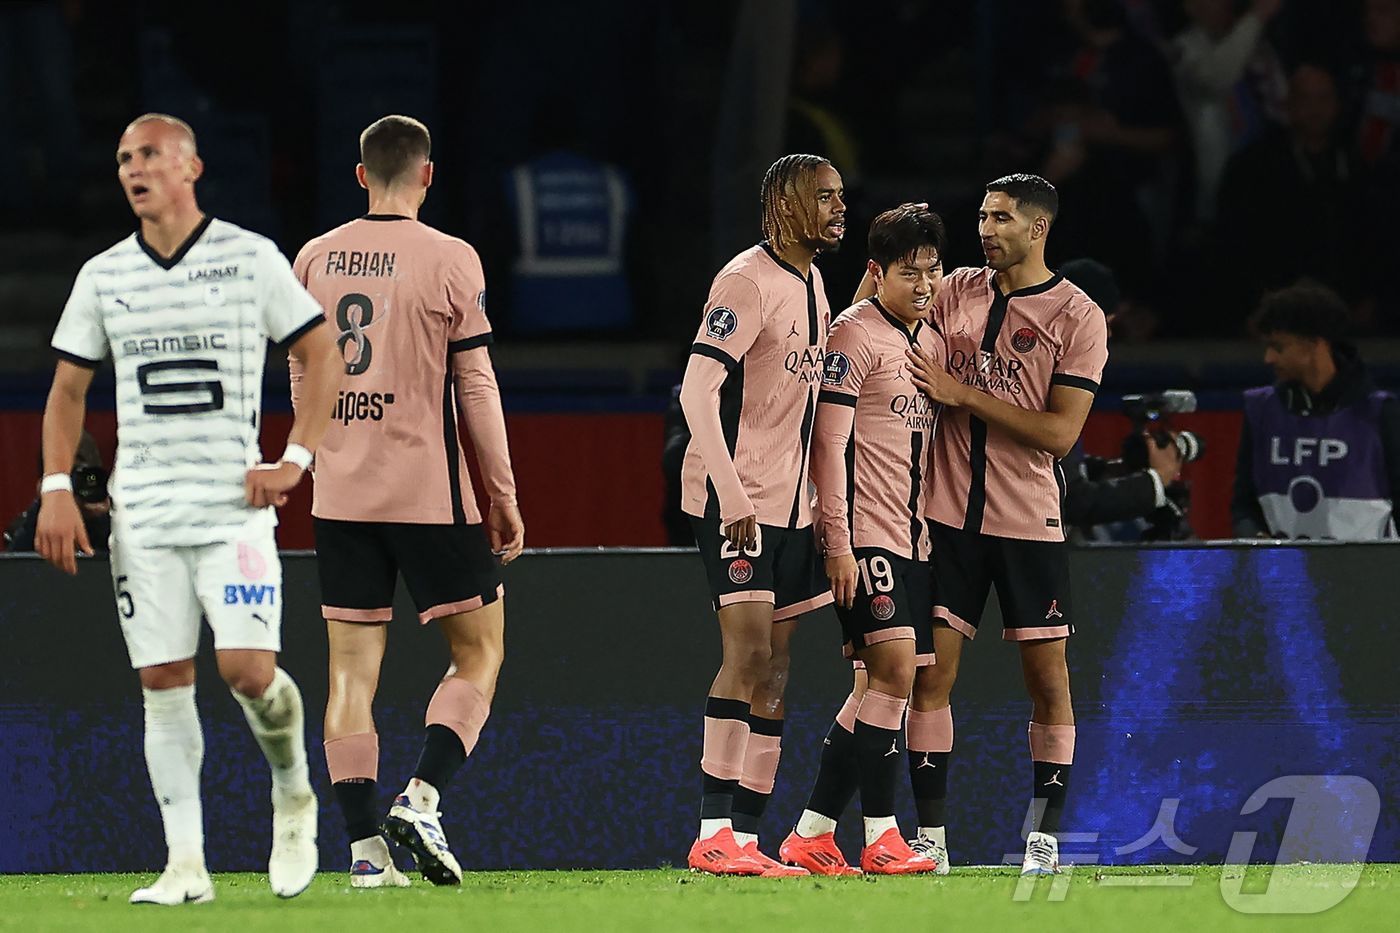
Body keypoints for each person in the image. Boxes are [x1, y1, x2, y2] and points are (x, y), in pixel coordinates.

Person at [37, 113, 342, 904]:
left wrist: (295, 461)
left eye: (147, 155)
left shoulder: (247, 258)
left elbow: (319, 351)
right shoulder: (105, 275)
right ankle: (185, 865)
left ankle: (293, 789)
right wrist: (57, 487)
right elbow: (67, 390)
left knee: (247, 673)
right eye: (122, 159)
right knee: (163, 682)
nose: (133, 169)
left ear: (191, 166)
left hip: (233, 505)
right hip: (144, 511)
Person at [293, 115, 525, 888]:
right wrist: (502, 491)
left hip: (342, 495)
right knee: (480, 649)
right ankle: (422, 798)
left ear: (360, 174)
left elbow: (301, 376)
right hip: (430, 491)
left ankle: (364, 855)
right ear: (427, 175)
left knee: (349, 675)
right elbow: (477, 385)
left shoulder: (314, 258)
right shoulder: (451, 258)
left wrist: (316, 455)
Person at [900, 174, 1108, 875]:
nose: (985, 229)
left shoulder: (1078, 316)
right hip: (945, 517)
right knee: (929, 677)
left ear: (1038, 228)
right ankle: (931, 839)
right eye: (983, 216)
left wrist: (965, 394)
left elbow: (1060, 434)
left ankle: (1043, 841)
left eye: (1001, 218)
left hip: (1028, 521)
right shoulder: (956, 288)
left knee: (1048, 681)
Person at [678, 153, 845, 876]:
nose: (841, 208)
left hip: (791, 504)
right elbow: (696, 391)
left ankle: (748, 839)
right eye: (826, 198)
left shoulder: (813, 281)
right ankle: (712, 832)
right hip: (735, 496)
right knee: (745, 654)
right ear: (786, 205)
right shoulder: (746, 280)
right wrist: (734, 491)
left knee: (776, 670)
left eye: (842, 197)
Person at [778, 204, 945, 876]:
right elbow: (828, 442)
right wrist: (838, 543)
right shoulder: (853, 334)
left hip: (916, 539)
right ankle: (881, 836)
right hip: (865, 534)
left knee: (875, 688)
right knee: (895, 671)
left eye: (932, 271)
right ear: (877, 272)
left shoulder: (928, 341)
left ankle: (812, 831)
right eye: (910, 273)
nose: (925, 285)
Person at [1232, 281, 1400, 539]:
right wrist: (1256, 539)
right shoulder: (1261, 410)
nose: (1268, 358)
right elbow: (1243, 506)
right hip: (1284, 577)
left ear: (1315, 345)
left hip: (1367, 577)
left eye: (1279, 347)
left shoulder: (1381, 413)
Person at [5, 431, 111, 553]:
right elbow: (15, 566)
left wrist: (103, 518)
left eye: (81, 476)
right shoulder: (24, 527)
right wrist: (45, 506)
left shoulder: (113, 522)